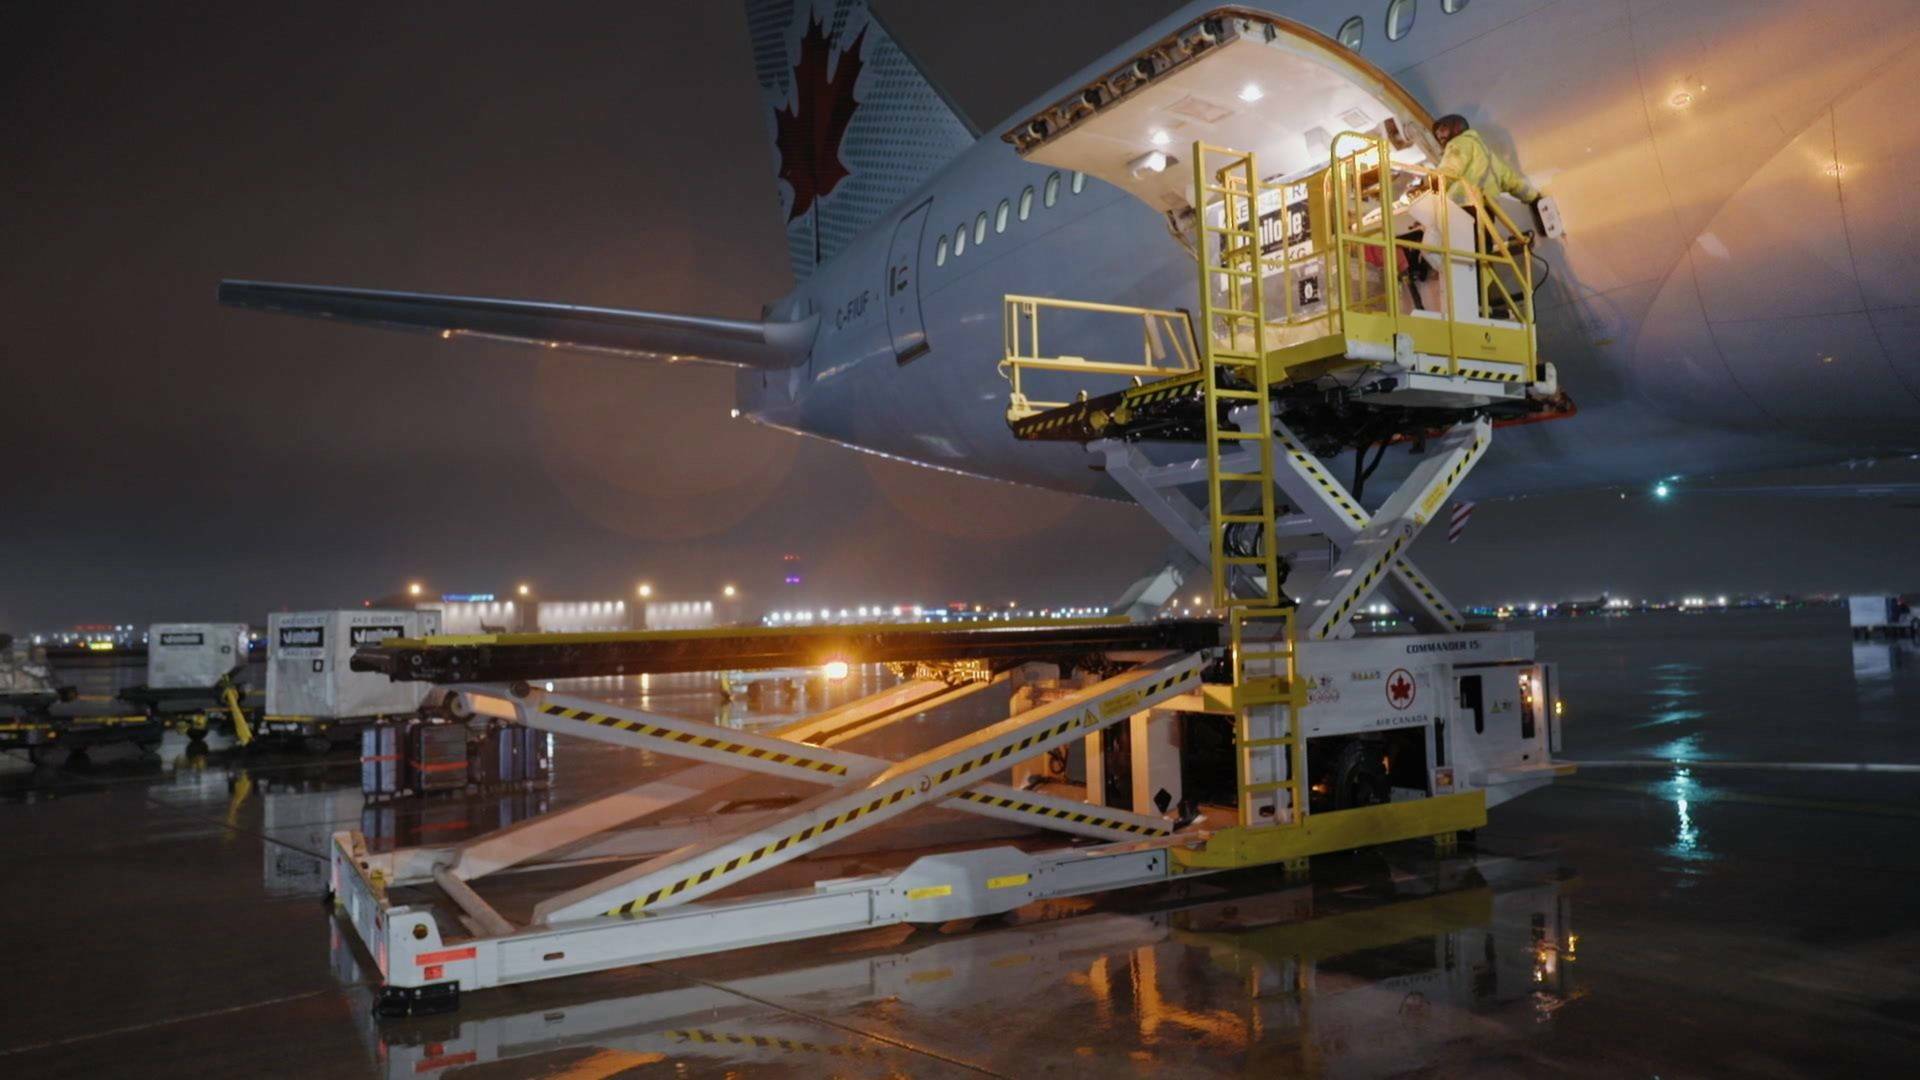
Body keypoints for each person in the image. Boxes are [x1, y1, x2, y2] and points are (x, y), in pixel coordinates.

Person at [1432, 114, 1539, 208]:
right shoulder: (1491, 158)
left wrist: (1430, 183)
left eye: (1442, 130)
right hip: (1488, 211)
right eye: (1437, 134)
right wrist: (1534, 198)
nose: (1439, 136)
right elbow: (1513, 183)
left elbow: (1449, 169)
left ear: (1456, 127)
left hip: (1463, 207)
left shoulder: (1459, 143)